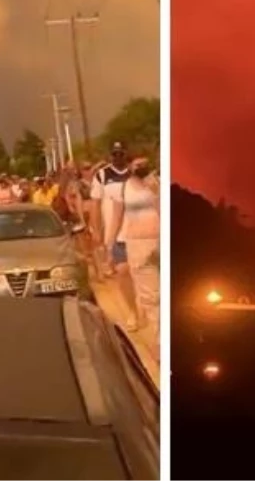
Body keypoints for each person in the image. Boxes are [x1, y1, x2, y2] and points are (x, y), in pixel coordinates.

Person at [108, 156, 161, 352]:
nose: (141, 168)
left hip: (159, 242)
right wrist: (109, 245)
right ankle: (160, 340)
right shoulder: (124, 188)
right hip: (137, 244)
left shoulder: (157, 184)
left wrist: (156, 191)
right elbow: (116, 217)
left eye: (145, 164)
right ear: (130, 166)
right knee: (151, 296)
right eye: (137, 164)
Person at [91, 142, 137, 329]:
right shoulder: (102, 176)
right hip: (116, 234)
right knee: (123, 273)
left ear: (126, 154)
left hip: (138, 233)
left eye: (121, 153)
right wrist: (96, 230)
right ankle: (132, 311)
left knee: (142, 275)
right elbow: (95, 204)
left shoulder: (135, 174)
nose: (118, 157)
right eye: (114, 154)